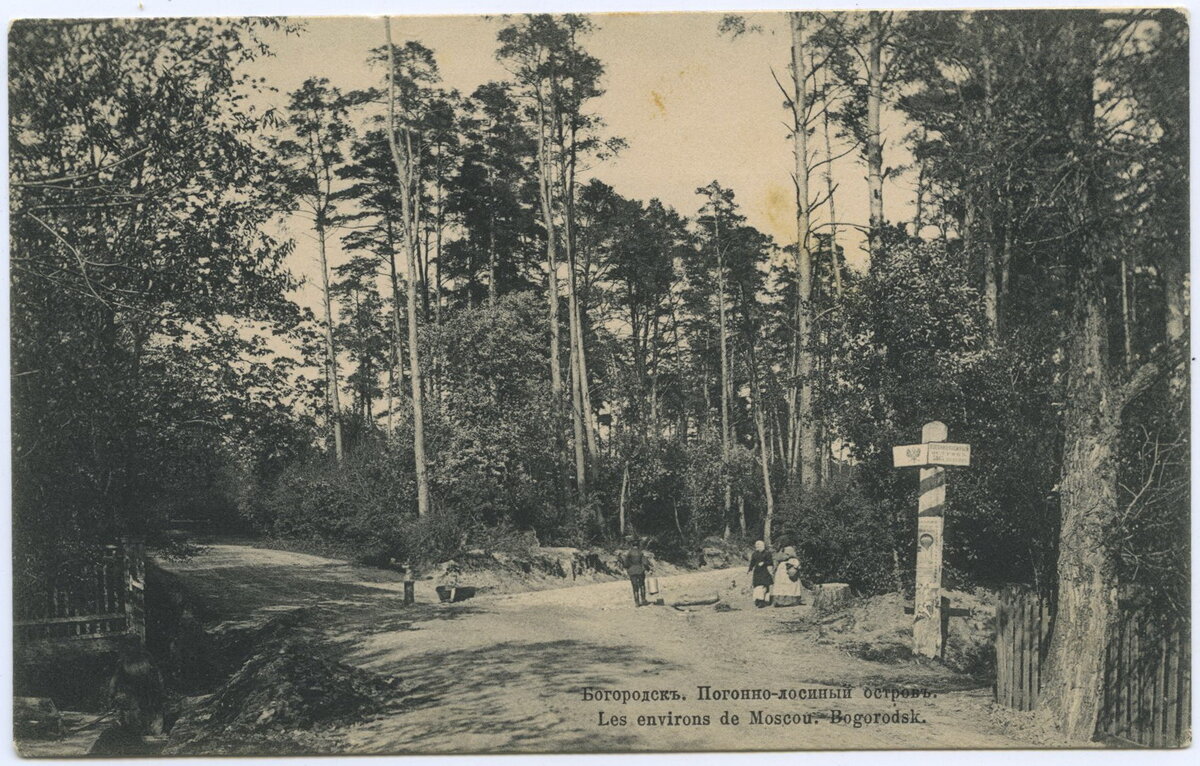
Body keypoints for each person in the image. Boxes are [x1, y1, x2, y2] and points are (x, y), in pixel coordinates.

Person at [621, 538, 650, 607]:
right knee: (642, 585)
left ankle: (637, 602)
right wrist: (648, 569)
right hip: (640, 570)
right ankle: (643, 600)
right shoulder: (641, 553)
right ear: (638, 545)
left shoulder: (629, 553)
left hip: (632, 571)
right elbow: (645, 563)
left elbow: (625, 563)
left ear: (632, 545)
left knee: (635, 586)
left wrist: (627, 568)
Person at [748, 540, 774, 607]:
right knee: (757, 586)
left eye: (759, 545)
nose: (758, 546)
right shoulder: (754, 554)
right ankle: (758, 600)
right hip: (757, 572)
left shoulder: (767, 553)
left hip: (764, 571)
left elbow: (770, 562)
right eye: (757, 545)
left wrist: (764, 563)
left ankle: (763, 601)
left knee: (764, 586)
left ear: (763, 546)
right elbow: (752, 562)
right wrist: (750, 569)